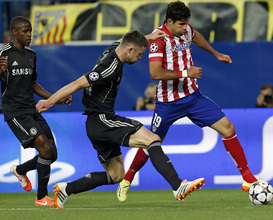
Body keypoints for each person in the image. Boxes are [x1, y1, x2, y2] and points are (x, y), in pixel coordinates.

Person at [36, 29, 205, 209]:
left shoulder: (113, 49)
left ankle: (67, 189)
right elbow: (77, 83)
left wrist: (147, 38)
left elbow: (123, 40)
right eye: (140, 54)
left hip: (94, 125)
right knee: (152, 139)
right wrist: (49, 101)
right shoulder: (110, 68)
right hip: (103, 119)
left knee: (116, 175)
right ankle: (177, 185)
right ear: (130, 50)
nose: (140, 58)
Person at [116, 1, 258, 203]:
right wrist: (186, 72)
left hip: (193, 97)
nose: (185, 29)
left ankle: (247, 178)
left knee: (228, 128)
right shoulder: (158, 40)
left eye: (187, 24)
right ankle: (127, 179)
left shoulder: (186, 30)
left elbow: (197, 36)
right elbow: (155, 73)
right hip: (168, 103)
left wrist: (216, 54)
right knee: (150, 143)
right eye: (181, 24)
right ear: (169, 21)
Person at [0, 16, 72, 206]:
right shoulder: (3, 53)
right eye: (25, 31)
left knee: (52, 153)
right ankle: (41, 197)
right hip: (14, 111)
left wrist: (54, 98)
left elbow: (33, 84)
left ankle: (20, 170)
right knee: (45, 149)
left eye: (30, 30)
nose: (29, 34)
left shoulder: (31, 55)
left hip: (31, 109)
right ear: (14, 32)